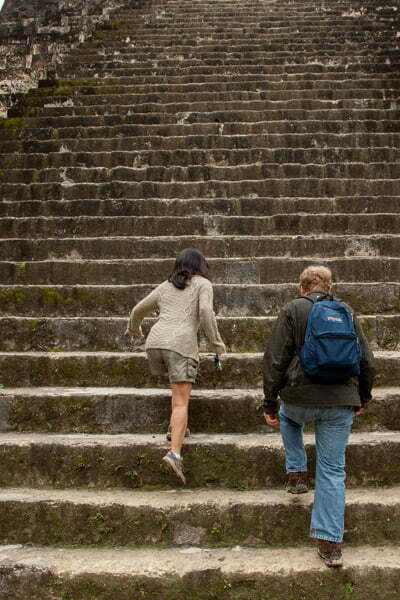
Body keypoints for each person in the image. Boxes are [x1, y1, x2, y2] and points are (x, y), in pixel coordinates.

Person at [262, 265, 375, 567]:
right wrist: (362, 398)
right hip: (340, 402)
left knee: (288, 418)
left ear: (302, 288)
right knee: (332, 470)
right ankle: (330, 543)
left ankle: (297, 472)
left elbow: (275, 359)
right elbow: (367, 360)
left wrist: (270, 402)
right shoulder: (346, 311)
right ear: (330, 288)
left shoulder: (293, 308)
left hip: (299, 397)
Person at [125, 248, 226, 484]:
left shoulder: (166, 285)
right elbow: (204, 312)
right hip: (180, 344)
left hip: (155, 344)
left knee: (176, 392)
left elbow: (137, 310)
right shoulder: (203, 284)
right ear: (202, 265)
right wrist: (217, 344)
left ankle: (175, 429)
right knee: (181, 401)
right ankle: (174, 453)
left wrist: (134, 328)